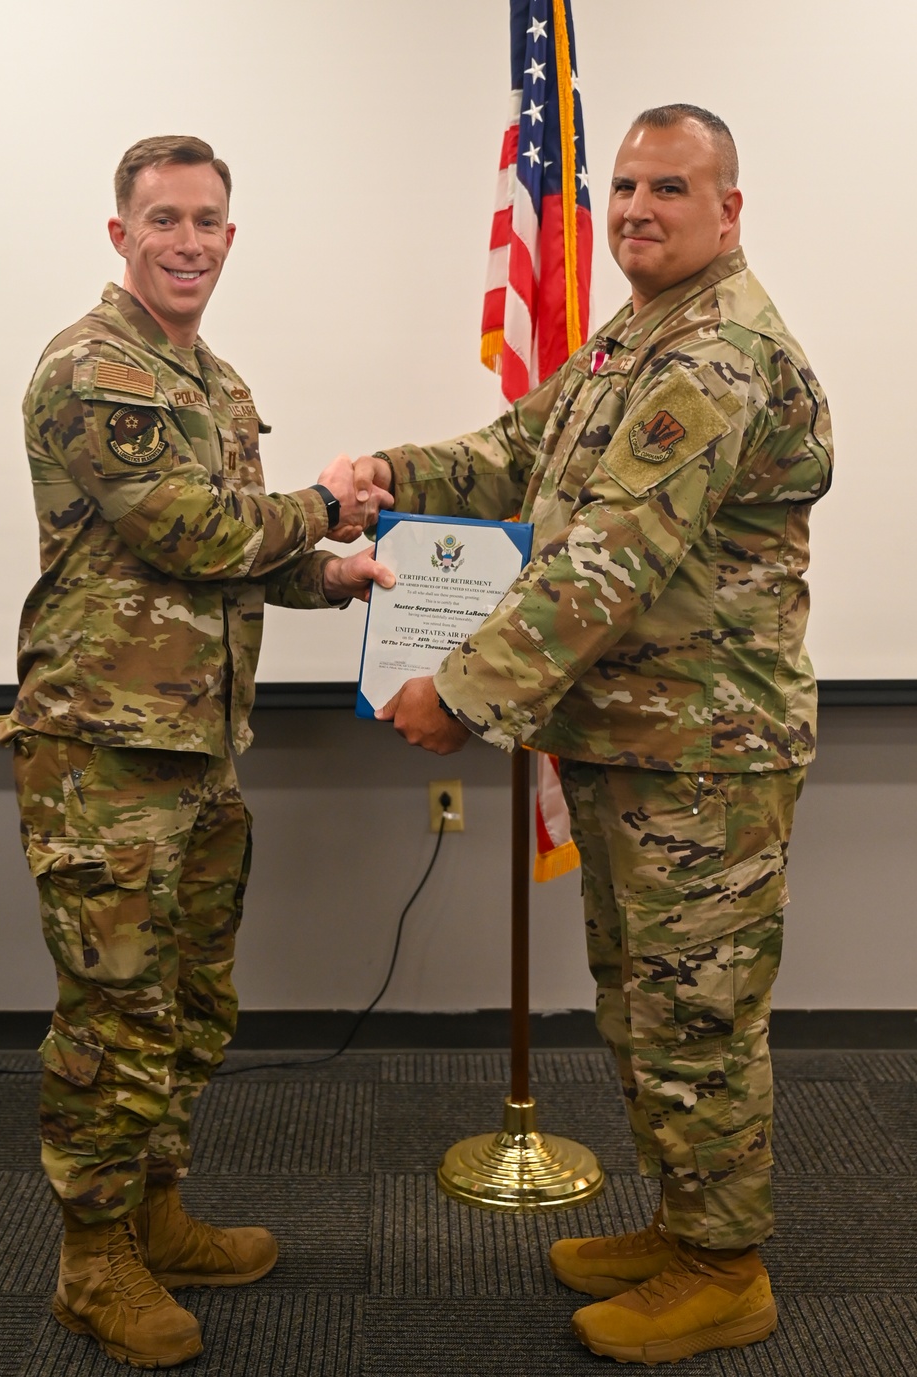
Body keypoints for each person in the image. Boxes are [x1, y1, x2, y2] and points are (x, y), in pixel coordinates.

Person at [356, 105, 832, 1365]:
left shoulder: (715, 355)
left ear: (727, 211)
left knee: (699, 1017)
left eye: (667, 187)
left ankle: (727, 1269)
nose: (633, 207)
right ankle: (684, 1230)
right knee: (641, 1007)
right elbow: (524, 449)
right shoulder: (639, 334)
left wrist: (453, 691)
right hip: (636, 744)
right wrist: (395, 473)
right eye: (622, 184)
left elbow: (603, 568)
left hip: (703, 760)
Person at [0, 135, 393, 1369]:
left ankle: (154, 1210)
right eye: (164, 219)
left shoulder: (212, 382)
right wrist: (323, 503)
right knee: (111, 1014)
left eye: (209, 220)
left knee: (190, 1004)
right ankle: (91, 1261)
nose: (189, 241)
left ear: (229, 235)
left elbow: (247, 560)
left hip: (197, 751)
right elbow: (188, 531)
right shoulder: (94, 369)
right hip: (102, 755)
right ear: (122, 235)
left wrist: (343, 574)